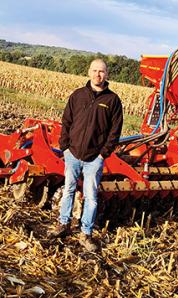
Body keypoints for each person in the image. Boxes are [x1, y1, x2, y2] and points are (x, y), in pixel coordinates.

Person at [49, 59, 123, 251]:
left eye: (102, 71)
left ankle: (86, 233)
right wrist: (64, 147)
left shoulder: (112, 100)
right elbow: (66, 122)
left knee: (91, 197)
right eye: (95, 70)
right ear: (89, 72)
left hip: (94, 159)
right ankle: (63, 224)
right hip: (72, 154)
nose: (98, 74)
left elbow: (115, 132)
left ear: (107, 74)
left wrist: (102, 155)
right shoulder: (78, 95)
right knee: (68, 190)